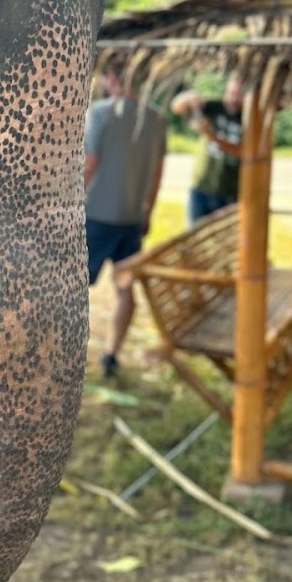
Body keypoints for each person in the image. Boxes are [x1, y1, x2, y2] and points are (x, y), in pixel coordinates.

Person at [84, 67, 167, 379]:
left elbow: (89, 164)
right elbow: (158, 172)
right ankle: (112, 354)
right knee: (124, 289)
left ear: (113, 78)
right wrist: (147, 211)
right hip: (131, 219)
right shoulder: (157, 118)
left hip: (94, 217)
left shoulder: (101, 112)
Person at [171, 73, 245, 224]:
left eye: (238, 95)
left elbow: (242, 151)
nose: (232, 99)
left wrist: (211, 135)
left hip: (230, 192)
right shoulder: (215, 107)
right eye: (230, 93)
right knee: (193, 238)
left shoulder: (250, 118)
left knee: (225, 242)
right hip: (201, 188)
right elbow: (177, 107)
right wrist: (188, 98)